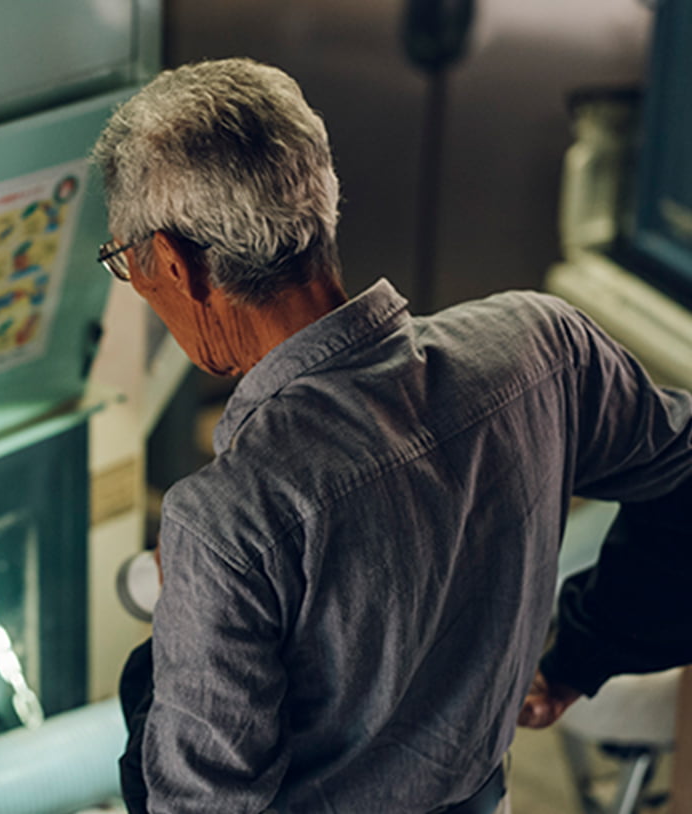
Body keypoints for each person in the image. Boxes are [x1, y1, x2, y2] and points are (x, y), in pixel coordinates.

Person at [91, 58, 692, 813]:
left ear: (174, 267)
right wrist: (584, 652)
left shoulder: (224, 524)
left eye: (127, 264)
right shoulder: (542, 346)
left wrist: (173, 645)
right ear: (319, 197)